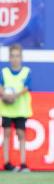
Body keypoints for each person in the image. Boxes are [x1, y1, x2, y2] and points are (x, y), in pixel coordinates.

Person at [0, 44, 32, 172]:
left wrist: (14, 96)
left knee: (21, 133)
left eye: (17, 56)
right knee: (7, 133)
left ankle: (23, 162)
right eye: (12, 56)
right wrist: (4, 95)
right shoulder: (4, 72)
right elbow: (1, 85)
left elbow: (26, 88)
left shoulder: (26, 72)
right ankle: (7, 162)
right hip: (7, 108)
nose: (15, 59)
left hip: (20, 108)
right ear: (9, 58)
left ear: (21, 57)